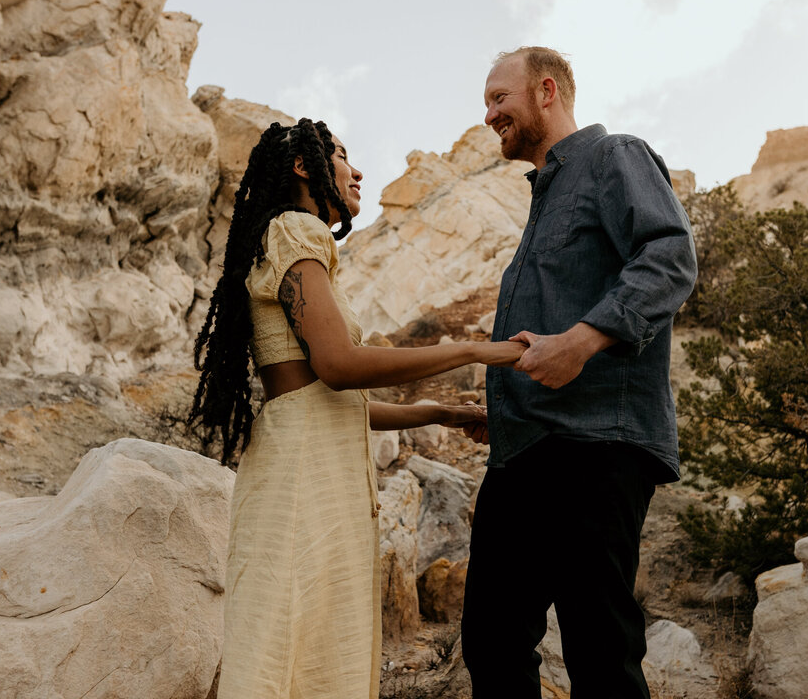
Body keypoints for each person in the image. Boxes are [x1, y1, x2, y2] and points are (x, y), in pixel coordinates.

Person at [190, 118, 525, 699]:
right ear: (303, 167)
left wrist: (438, 413)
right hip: (301, 478)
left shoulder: (284, 238)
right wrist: (472, 349)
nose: (357, 170)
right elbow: (339, 365)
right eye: (342, 155)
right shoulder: (296, 231)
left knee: (301, 647)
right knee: (292, 649)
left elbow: (332, 404)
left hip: (307, 461)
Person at [461, 47, 698, 698]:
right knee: (490, 640)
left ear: (544, 92)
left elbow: (671, 256)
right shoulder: (543, 199)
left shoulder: (613, 156)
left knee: (599, 649)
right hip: (524, 451)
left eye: (497, 98)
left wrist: (584, 339)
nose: (488, 115)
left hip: (598, 444)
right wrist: (503, 403)